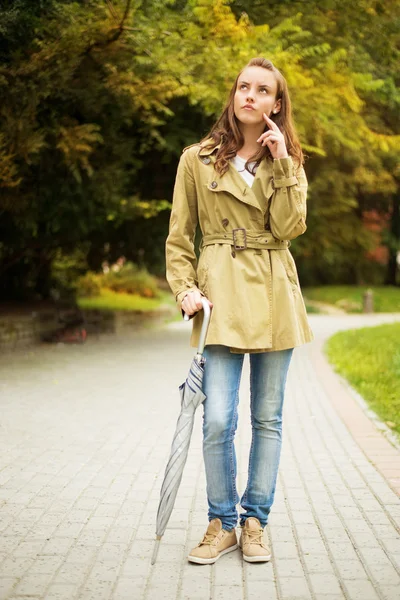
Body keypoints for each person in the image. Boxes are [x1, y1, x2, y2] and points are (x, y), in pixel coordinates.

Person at [165, 57, 314, 565]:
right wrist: (185, 289)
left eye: (262, 90)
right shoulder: (197, 158)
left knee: (267, 418)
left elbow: (291, 228)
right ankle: (221, 522)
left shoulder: (289, 158)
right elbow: (180, 236)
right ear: (234, 96)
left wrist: (283, 167)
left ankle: (255, 522)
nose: (249, 95)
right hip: (220, 297)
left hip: (274, 292)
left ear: (276, 104)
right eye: (242, 87)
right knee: (217, 420)